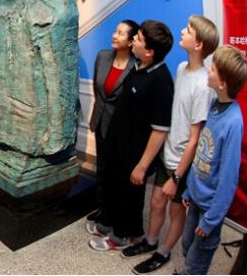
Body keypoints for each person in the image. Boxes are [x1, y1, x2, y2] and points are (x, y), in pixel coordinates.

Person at [127, 16, 219, 274]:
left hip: (182, 163)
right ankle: (151, 241)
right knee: (156, 202)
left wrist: (177, 177)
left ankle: (163, 252)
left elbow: (195, 140)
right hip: (167, 152)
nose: (182, 31)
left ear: (199, 44)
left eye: (188, 30)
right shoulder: (180, 68)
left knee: (176, 212)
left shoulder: (203, 85)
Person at [89, 20, 174, 251]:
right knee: (116, 188)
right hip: (120, 146)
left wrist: (142, 166)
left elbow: (160, 130)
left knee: (130, 195)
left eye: (139, 38)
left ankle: (121, 237)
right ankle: (114, 225)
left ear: (149, 51)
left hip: (136, 153)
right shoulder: (139, 68)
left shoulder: (161, 81)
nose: (134, 39)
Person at [180, 45, 247, 275]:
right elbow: (202, 151)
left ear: (223, 83)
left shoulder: (233, 122)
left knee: (197, 261)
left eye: (213, 69)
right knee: (187, 246)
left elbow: (228, 179)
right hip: (196, 197)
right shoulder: (214, 105)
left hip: (210, 208)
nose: (208, 70)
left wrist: (211, 220)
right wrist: (189, 189)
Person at [87, 19, 139, 225]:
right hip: (100, 121)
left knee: (116, 172)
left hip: (120, 129)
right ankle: (102, 208)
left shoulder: (136, 65)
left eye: (121, 33)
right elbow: (97, 88)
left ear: (131, 41)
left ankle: (114, 212)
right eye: (116, 31)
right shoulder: (103, 56)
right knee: (101, 168)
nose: (115, 36)